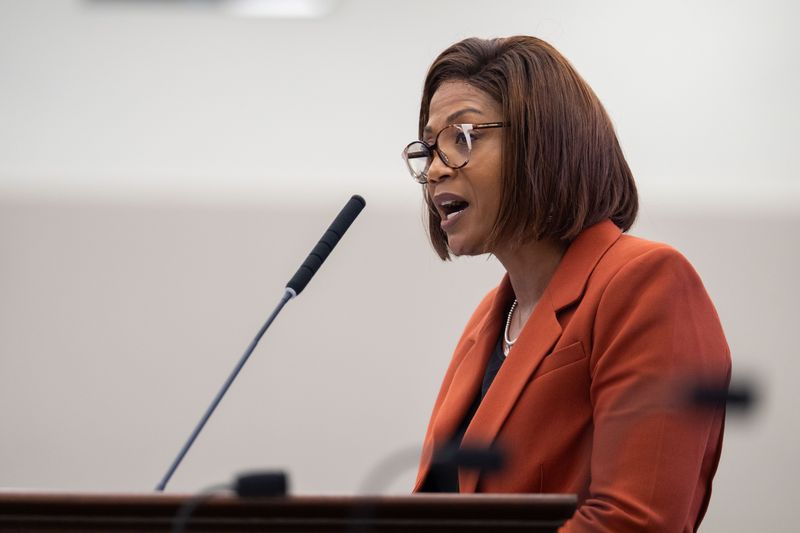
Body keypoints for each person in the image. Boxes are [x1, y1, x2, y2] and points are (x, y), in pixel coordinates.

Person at [402, 36, 731, 532]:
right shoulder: (487, 322)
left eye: (462, 137)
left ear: (544, 142)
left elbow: (636, 521)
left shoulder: (646, 283)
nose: (436, 169)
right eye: (429, 147)